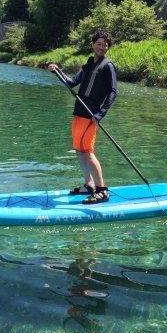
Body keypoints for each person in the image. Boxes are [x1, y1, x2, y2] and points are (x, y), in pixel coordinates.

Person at [47, 30, 118, 204]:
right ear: (93, 44)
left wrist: (101, 113)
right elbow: (71, 82)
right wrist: (57, 71)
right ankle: (89, 185)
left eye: (105, 44)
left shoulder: (108, 66)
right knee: (79, 150)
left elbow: (113, 92)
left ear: (108, 47)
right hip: (79, 113)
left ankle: (102, 191)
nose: (102, 47)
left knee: (88, 151)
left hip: (91, 115)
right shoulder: (87, 65)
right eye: (99, 43)